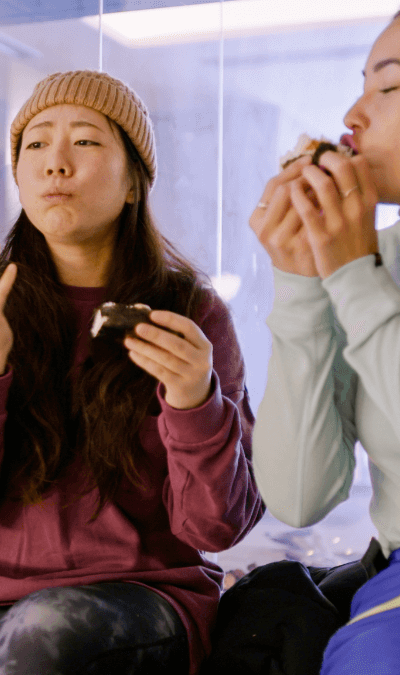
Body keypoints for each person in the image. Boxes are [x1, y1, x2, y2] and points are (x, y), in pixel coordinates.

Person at [0, 70, 263, 675]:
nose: (56, 164)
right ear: (19, 175)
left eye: (88, 142)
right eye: (37, 145)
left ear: (133, 184)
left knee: (44, 629)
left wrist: (193, 400)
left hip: (144, 596)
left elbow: (216, 525)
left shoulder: (191, 314)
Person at [250, 10, 400, 674]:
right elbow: (301, 494)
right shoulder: (373, 260)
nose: (352, 112)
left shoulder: (365, 269)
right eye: (361, 84)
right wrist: (304, 286)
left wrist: (352, 278)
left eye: (389, 88)